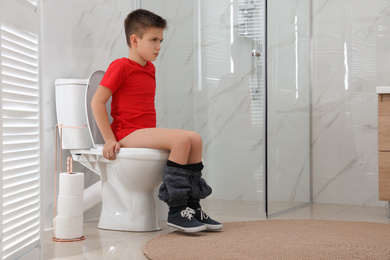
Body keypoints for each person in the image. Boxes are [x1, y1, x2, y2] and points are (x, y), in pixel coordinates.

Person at [91, 9, 222, 233]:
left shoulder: (149, 68)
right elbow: (97, 102)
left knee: (195, 139)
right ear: (134, 40)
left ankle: (192, 206)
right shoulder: (120, 66)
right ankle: (176, 210)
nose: (159, 46)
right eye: (153, 40)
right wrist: (110, 139)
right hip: (127, 132)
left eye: (160, 40)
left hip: (143, 131)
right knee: (180, 141)